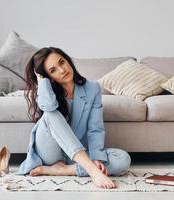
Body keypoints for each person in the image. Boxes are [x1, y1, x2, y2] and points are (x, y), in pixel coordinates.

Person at [16, 47, 131, 189]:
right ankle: (92, 171)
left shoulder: (92, 88)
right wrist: (42, 81)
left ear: (67, 60)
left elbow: (95, 129)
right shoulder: (47, 90)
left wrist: (96, 158)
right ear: (48, 77)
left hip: (78, 156)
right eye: (53, 70)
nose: (62, 70)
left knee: (122, 159)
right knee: (51, 113)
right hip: (50, 152)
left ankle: (63, 170)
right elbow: (48, 106)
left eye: (62, 62)